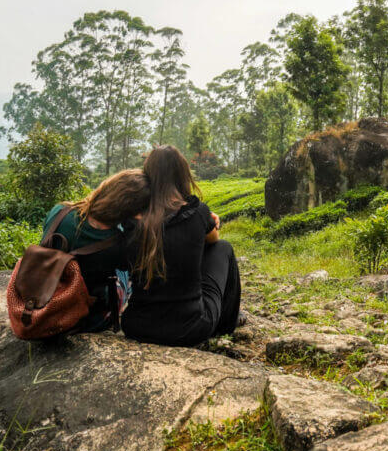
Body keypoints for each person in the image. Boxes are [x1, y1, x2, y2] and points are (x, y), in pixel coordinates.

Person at [121, 145, 242, 346]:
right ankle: (227, 324)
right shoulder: (197, 211)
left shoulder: (132, 218)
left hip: (137, 327)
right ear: (182, 174)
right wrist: (208, 221)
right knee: (223, 248)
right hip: (190, 329)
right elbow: (213, 240)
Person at [40, 168, 150, 333]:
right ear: (132, 210)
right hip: (83, 319)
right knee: (124, 275)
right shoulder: (116, 244)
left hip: (40, 301)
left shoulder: (59, 211)